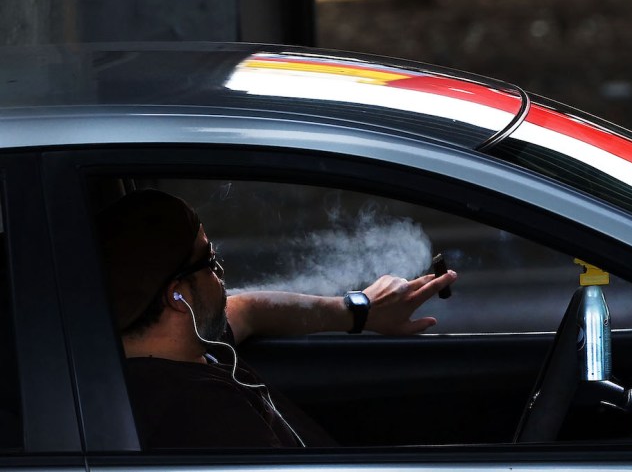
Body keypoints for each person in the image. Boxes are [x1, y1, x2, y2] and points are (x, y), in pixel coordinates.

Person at [96, 189, 457, 450]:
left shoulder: (185, 343)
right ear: (177, 296)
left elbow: (250, 308)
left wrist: (359, 310)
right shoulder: (198, 418)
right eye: (209, 262)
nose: (222, 273)